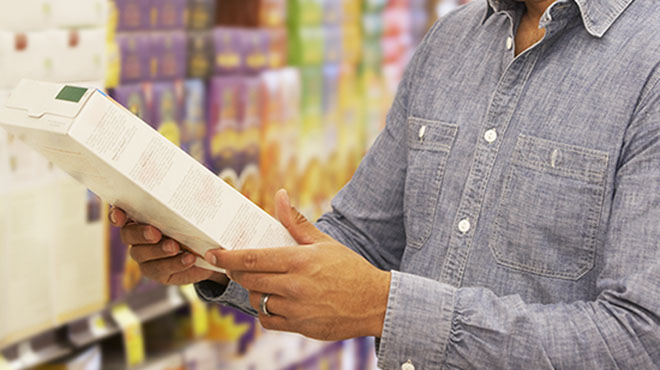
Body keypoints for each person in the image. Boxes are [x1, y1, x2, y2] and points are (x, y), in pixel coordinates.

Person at [110, 0, 660, 367]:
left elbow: (642, 336)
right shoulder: (453, 43)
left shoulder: (649, 60)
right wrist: (214, 249)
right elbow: (360, 237)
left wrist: (386, 306)